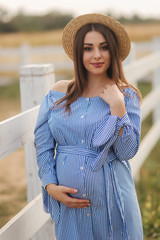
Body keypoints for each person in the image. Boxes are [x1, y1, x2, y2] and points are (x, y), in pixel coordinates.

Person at [34, 13, 143, 240]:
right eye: (88, 48)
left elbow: (126, 152)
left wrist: (118, 109)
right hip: (70, 205)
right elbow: (43, 144)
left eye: (103, 47)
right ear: (78, 52)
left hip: (113, 200)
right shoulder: (58, 93)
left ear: (113, 51)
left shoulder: (126, 96)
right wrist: (50, 186)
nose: (96, 55)